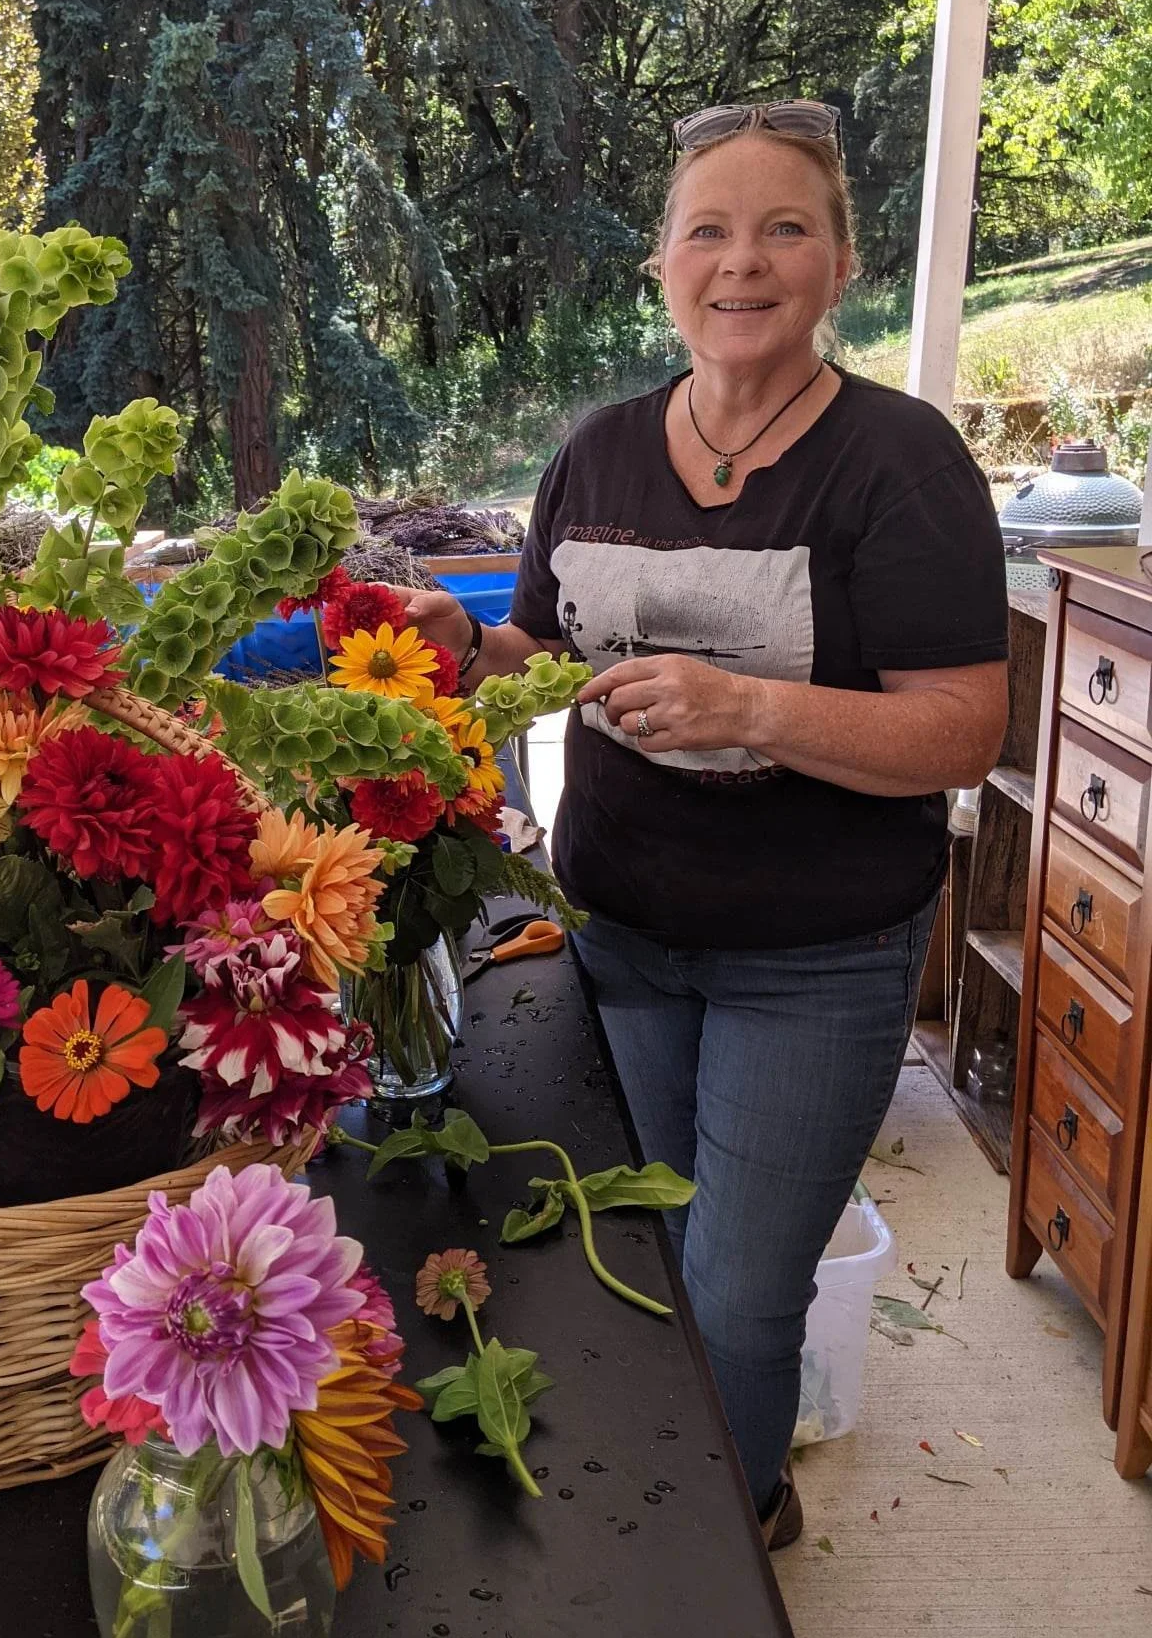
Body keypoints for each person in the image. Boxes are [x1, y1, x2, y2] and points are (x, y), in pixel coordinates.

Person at [393, 100, 1009, 1548]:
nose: (744, 262)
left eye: (785, 228)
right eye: (709, 231)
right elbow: (548, 652)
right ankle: (677, 1529)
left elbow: (962, 730)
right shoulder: (597, 452)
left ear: (841, 263)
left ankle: (734, 1539)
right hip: (621, 932)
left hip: (818, 958)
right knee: (654, 1233)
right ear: (662, 265)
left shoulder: (900, 462)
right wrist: (464, 644)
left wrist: (752, 709)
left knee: (740, 1288)